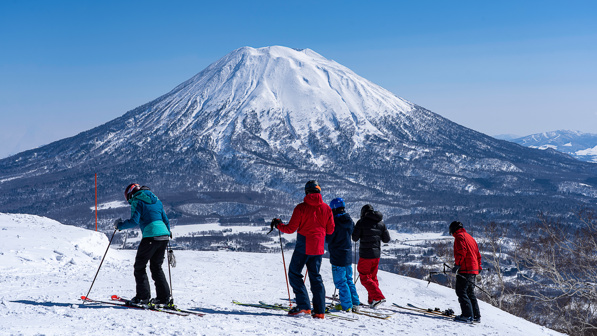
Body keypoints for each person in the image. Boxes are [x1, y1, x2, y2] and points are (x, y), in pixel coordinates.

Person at [271, 180, 334, 319]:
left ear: (306, 192)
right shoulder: (327, 208)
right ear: (319, 191)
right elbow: (330, 230)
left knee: (294, 273)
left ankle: (304, 306)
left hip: (303, 245)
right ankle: (320, 311)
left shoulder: (301, 208)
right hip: (318, 248)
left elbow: (290, 229)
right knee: (315, 277)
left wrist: (278, 225)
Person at [114, 183, 172, 306]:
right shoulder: (157, 201)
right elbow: (165, 220)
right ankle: (164, 298)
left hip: (151, 235)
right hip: (164, 236)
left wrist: (119, 226)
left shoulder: (137, 200)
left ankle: (143, 297)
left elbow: (134, 221)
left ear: (130, 194)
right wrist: (167, 233)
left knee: (140, 266)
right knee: (156, 267)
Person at [352, 204, 390, 309]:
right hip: (376, 255)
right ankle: (372, 300)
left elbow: (354, 238)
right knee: (372, 277)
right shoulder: (381, 223)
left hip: (365, 255)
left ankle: (378, 297)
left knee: (364, 277)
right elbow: (386, 239)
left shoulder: (361, 222)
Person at [326, 197, 361, 312]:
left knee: (340, 281)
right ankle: (355, 302)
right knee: (348, 279)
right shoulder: (349, 220)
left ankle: (346, 305)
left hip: (337, 255)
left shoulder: (334, 222)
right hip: (347, 254)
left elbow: (328, 238)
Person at [449, 221, 482, 323]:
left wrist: (457, 265)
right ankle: (476, 316)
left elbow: (461, 251)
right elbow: (477, 254)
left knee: (461, 291)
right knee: (470, 292)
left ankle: (467, 315)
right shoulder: (470, 237)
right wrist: (478, 267)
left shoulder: (459, 237)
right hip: (473, 268)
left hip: (465, 268)